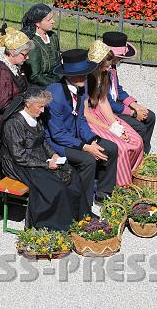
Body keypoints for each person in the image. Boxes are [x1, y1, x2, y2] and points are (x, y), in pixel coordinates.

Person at [0, 87, 91, 230]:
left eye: (43, 107)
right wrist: (46, 165)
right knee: (54, 187)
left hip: (38, 157)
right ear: (28, 104)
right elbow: (18, 156)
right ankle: (56, 225)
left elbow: (43, 141)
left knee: (72, 174)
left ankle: (79, 216)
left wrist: (53, 154)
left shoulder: (36, 119)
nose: (43, 111)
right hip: (18, 164)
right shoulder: (14, 124)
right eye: (40, 107)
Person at [44, 49, 118, 204]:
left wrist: (92, 140)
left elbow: (82, 120)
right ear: (68, 75)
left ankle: (103, 192)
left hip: (76, 136)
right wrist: (85, 147)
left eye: (85, 73)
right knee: (87, 160)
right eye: (79, 74)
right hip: (58, 143)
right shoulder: (55, 95)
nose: (84, 77)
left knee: (110, 148)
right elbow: (57, 134)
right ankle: (82, 204)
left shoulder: (81, 88)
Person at [84, 40, 144, 186]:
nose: (109, 68)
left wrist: (115, 125)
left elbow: (103, 101)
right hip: (89, 118)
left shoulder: (104, 75)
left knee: (135, 140)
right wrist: (109, 129)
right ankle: (120, 184)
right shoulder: (85, 79)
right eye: (106, 66)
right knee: (121, 147)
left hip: (100, 112)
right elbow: (85, 114)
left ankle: (132, 176)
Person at [103, 31, 157, 154]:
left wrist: (136, 106)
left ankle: (145, 152)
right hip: (109, 111)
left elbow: (118, 90)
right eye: (120, 57)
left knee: (150, 116)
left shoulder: (113, 66)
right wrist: (133, 113)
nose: (122, 59)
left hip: (116, 105)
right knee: (140, 128)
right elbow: (108, 102)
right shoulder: (102, 70)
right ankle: (136, 156)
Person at [0, 23, 32, 128]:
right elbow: (4, 106)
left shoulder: (13, 66)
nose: (27, 58)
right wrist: (29, 107)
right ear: (12, 52)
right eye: (25, 54)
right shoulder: (0, 73)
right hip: (5, 123)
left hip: (16, 116)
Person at [22, 3, 61, 87]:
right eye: (49, 20)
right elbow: (34, 76)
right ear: (37, 23)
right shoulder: (31, 42)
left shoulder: (53, 36)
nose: (53, 22)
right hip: (39, 87)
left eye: (52, 18)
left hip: (57, 80)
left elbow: (58, 63)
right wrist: (56, 85)